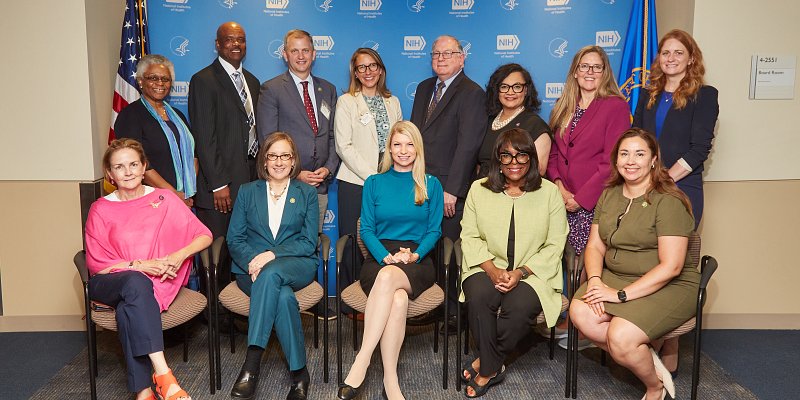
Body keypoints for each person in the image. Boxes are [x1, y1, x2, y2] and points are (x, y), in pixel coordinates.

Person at [569, 128, 697, 400]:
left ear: (653, 160)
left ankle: (654, 386)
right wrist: (594, 280)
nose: (631, 161)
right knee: (580, 313)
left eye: (640, 154)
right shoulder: (609, 195)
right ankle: (645, 352)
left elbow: (672, 267)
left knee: (620, 337)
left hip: (668, 285)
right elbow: (594, 245)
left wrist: (619, 295)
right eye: (624, 154)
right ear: (616, 160)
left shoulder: (668, 200)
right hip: (616, 276)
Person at [84, 139, 212, 400]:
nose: (128, 171)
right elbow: (97, 263)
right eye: (119, 167)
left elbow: (203, 235)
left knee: (127, 308)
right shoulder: (100, 208)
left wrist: (178, 256)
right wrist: (140, 266)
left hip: (155, 282)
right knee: (135, 282)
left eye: (133, 164)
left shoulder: (164, 199)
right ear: (110, 174)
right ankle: (164, 375)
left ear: (144, 167)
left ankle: (144, 392)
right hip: (109, 281)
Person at [632, 28, 718, 380]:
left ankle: (670, 344)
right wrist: (644, 178)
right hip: (645, 187)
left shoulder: (705, 95)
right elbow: (637, 139)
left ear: (690, 58)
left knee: (674, 266)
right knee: (645, 260)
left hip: (682, 190)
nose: (670, 58)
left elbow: (699, 149)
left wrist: (662, 179)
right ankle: (643, 335)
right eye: (665, 53)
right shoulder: (647, 95)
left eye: (678, 53)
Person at [337, 121, 444, 400]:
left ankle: (362, 359)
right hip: (379, 256)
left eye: (409, 144)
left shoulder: (430, 184)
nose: (403, 150)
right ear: (389, 148)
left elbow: (434, 230)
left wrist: (414, 254)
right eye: (397, 144)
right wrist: (385, 256)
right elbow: (367, 229)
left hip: (417, 259)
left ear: (417, 148)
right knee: (396, 298)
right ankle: (390, 379)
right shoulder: (374, 182)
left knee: (390, 280)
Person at [459, 129, 568, 398]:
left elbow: (555, 243)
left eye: (521, 155)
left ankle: (486, 366)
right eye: (506, 156)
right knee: (480, 297)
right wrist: (493, 271)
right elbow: (469, 235)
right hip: (485, 265)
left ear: (531, 158)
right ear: (498, 159)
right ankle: (491, 365)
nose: (514, 162)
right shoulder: (479, 189)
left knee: (518, 308)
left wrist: (520, 272)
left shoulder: (549, 193)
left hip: (533, 271)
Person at [226, 133, 320, 400]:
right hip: (250, 269)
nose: (279, 162)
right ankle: (300, 373)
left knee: (272, 272)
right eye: (272, 156)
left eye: (285, 156)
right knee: (283, 296)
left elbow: (307, 241)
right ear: (264, 160)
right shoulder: (247, 191)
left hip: (296, 265)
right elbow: (235, 238)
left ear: (293, 161)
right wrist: (253, 261)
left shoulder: (307, 193)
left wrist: (271, 255)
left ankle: (251, 365)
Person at [409, 35, 486, 329]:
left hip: (449, 189)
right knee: (426, 247)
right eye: (436, 54)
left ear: (462, 58)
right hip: (420, 183)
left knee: (451, 250)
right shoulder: (424, 88)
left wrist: (452, 190)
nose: (441, 58)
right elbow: (415, 137)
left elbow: (468, 145)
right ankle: (432, 304)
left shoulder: (471, 93)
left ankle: (455, 311)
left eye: (449, 53)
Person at [189, 21, 260, 298]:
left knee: (240, 252)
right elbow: (204, 138)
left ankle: (236, 310)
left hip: (249, 184)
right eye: (229, 39)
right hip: (220, 188)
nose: (235, 44)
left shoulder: (252, 82)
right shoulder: (203, 80)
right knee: (216, 256)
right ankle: (214, 316)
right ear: (217, 44)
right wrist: (219, 184)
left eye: (240, 39)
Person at [334, 48, 403, 313]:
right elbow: (344, 145)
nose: (368, 72)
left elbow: (398, 142)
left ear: (381, 69)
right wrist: (373, 176)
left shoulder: (393, 101)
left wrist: (387, 176)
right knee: (353, 241)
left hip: (389, 182)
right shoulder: (347, 102)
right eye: (362, 67)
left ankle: (378, 295)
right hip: (356, 182)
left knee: (382, 238)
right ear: (355, 72)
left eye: (373, 66)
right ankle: (350, 303)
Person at [547, 45, 630, 257]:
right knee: (557, 260)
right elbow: (554, 153)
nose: (590, 72)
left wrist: (581, 199)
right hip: (561, 199)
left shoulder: (615, 106)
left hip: (594, 202)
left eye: (596, 67)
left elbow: (612, 160)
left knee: (586, 263)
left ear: (605, 73)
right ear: (575, 72)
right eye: (584, 66)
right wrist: (559, 187)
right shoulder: (563, 105)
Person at [257, 29, 339, 230]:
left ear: (314, 53)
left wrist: (328, 169)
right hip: (286, 186)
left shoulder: (328, 89)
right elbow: (268, 140)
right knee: (285, 244)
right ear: (285, 55)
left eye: (305, 50)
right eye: (294, 51)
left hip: (319, 186)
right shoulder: (272, 89)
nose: (301, 56)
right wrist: (295, 172)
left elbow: (333, 136)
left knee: (313, 244)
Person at [115, 54, 197, 207]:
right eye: (153, 78)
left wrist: (186, 192)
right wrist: (173, 194)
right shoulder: (131, 115)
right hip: (150, 201)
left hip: (185, 198)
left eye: (165, 79)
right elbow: (136, 163)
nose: (160, 83)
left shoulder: (178, 116)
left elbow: (194, 155)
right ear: (140, 81)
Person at [479, 63, 551, 178]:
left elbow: (539, 171)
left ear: (526, 90)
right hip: (481, 191)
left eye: (517, 87)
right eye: (504, 87)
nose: (510, 92)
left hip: (513, 193)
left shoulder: (536, 125)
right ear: (497, 90)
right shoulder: (487, 121)